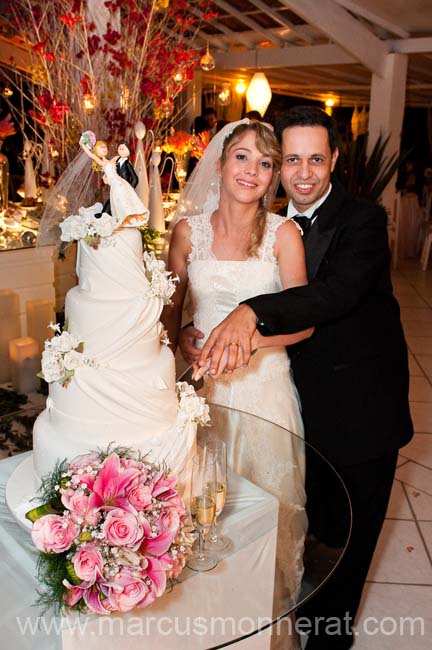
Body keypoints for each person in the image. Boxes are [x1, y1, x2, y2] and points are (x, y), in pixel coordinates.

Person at [181, 106, 414, 649]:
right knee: (287, 527)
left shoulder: (362, 220)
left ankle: (329, 640)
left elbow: (331, 294)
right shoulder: (272, 224)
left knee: (346, 541)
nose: (303, 172)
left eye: (316, 158)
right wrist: (198, 328)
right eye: (291, 160)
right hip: (288, 400)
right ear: (278, 166)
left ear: (334, 159)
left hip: (359, 410)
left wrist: (250, 313)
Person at [163, 118, 312, 603]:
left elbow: (305, 322)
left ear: (273, 177)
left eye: (266, 163)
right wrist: (182, 334)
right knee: (197, 511)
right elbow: (169, 309)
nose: (252, 171)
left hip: (265, 391)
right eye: (243, 157)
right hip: (202, 394)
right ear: (221, 162)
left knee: (268, 511)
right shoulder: (188, 232)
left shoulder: (283, 235)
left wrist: (251, 341)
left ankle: (264, 618)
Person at [80, 139, 146, 226]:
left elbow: (119, 163)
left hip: (121, 182)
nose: (104, 149)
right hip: (115, 184)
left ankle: (121, 217)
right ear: (97, 152)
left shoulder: (115, 159)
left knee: (121, 201)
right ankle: (108, 215)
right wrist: (83, 145)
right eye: (101, 148)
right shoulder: (102, 162)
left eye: (104, 147)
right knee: (115, 201)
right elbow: (91, 155)